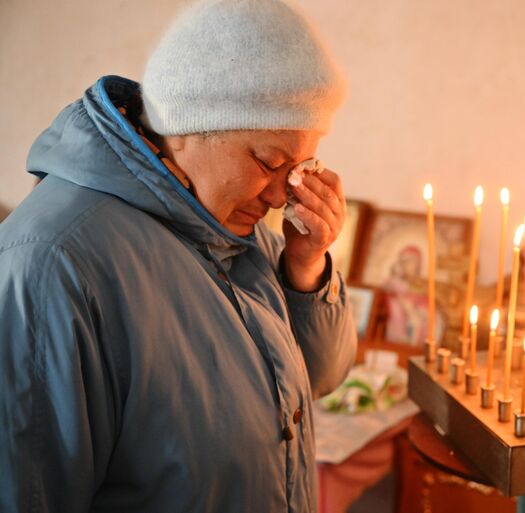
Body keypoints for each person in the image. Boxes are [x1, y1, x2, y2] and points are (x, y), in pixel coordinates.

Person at [0, 0, 356, 512]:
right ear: (189, 126)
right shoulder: (52, 267)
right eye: (269, 161)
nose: (284, 196)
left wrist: (306, 268)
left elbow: (315, 382)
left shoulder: (245, 234)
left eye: (301, 165)